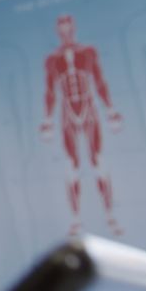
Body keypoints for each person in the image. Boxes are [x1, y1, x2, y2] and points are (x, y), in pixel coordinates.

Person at [41, 14, 124, 236]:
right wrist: (48, 121)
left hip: (89, 111)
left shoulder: (87, 52)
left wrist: (111, 111)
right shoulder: (52, 60)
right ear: (58, 32)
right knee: (72, 167)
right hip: (67, 114)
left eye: (69, 29)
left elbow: (99, 81)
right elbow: (50, 91)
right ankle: (76, 220)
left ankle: (110, 217)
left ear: (74, 29)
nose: (66, 33)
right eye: (62, 30)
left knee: (99, 162)